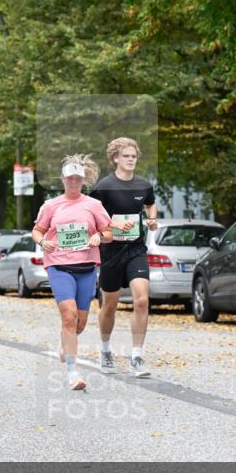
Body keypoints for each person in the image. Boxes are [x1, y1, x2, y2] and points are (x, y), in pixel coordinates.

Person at [33, 154, 114, 391]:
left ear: (83, 179)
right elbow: (37, 231)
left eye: (78, 179)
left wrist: (100, 236)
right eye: (70, 179)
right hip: (59, 266)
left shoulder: (94, 206)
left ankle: (66, 344)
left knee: (79, 322)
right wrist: (42, 242)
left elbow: (108, 232)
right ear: (63, 179)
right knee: (68, 317)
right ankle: (72, 373)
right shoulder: (51, 206)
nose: (74, 183)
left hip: (86, 267)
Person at [90, 137, 157, 377]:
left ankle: (137, 356)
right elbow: (93, 221)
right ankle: (106, 351)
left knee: (141, 300)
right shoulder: (103, 187)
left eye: (134, 156)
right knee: (109, 305)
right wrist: (116, 227)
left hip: (136, 250)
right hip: (110, 251)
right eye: (126, 156)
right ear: (116, 158)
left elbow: (150, 205)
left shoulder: (144, 185)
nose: (131, 159)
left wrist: (151, 219)